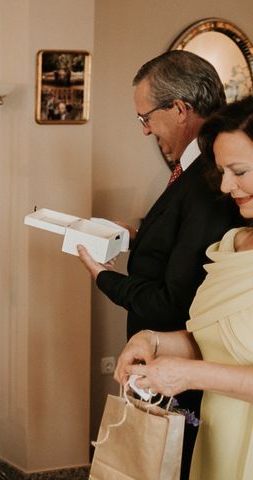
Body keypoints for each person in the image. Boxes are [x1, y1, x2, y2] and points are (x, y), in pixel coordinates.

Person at [76, 50, 241, 479]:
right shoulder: (190, 174)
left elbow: (174, 299)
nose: (146, 129)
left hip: (192, 372)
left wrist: (104, 278)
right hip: (169, 356)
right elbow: (184, 241)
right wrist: (137, 232)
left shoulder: (208, 181)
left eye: (145, 117)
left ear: (180, 108)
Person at [115, 95, 253, 479]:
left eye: (239, 171)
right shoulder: (233, 244)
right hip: (218, 438)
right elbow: (218, 339)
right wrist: (153, 341)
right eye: (222, 171)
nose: (226, 186)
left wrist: (191, 376)